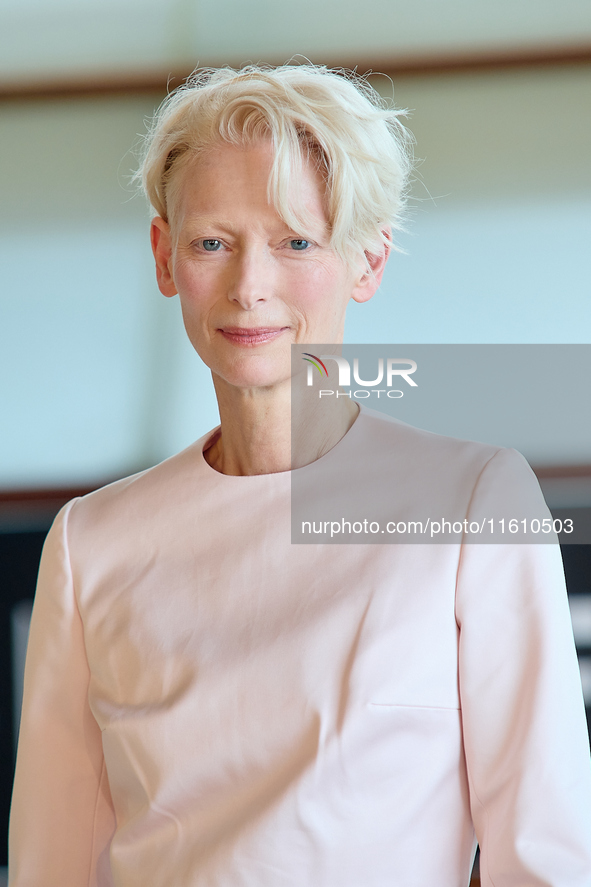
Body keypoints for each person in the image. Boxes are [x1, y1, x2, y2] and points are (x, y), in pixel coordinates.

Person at [8, 64, 591, 886]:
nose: (250, 287)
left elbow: (546, 858)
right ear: (163, 255)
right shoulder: (92, 542)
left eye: (294, 242)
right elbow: (50, 867)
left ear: (368, 259)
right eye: (213, 241)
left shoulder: (472, 502)